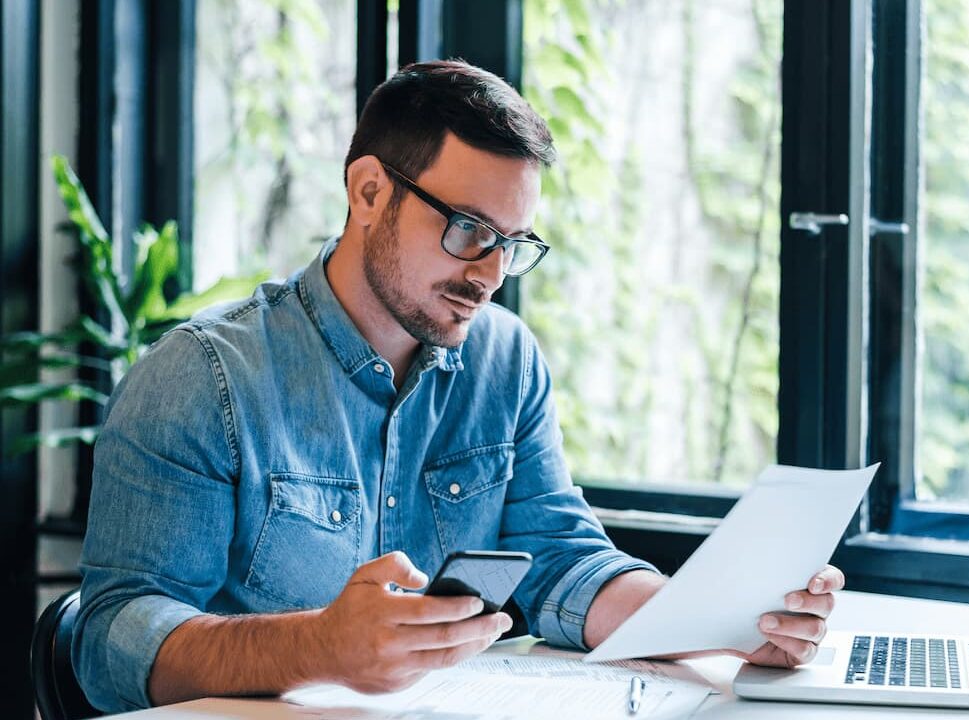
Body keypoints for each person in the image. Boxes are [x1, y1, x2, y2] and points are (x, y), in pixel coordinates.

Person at [73, 60, 845, 713]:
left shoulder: (505, 361)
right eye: (469, 230)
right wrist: (315, 647)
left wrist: (722, 619)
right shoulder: (204, 376)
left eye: (512, 244)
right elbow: (111, 642)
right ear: (369, 191)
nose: (489, 276)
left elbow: (558, 556)